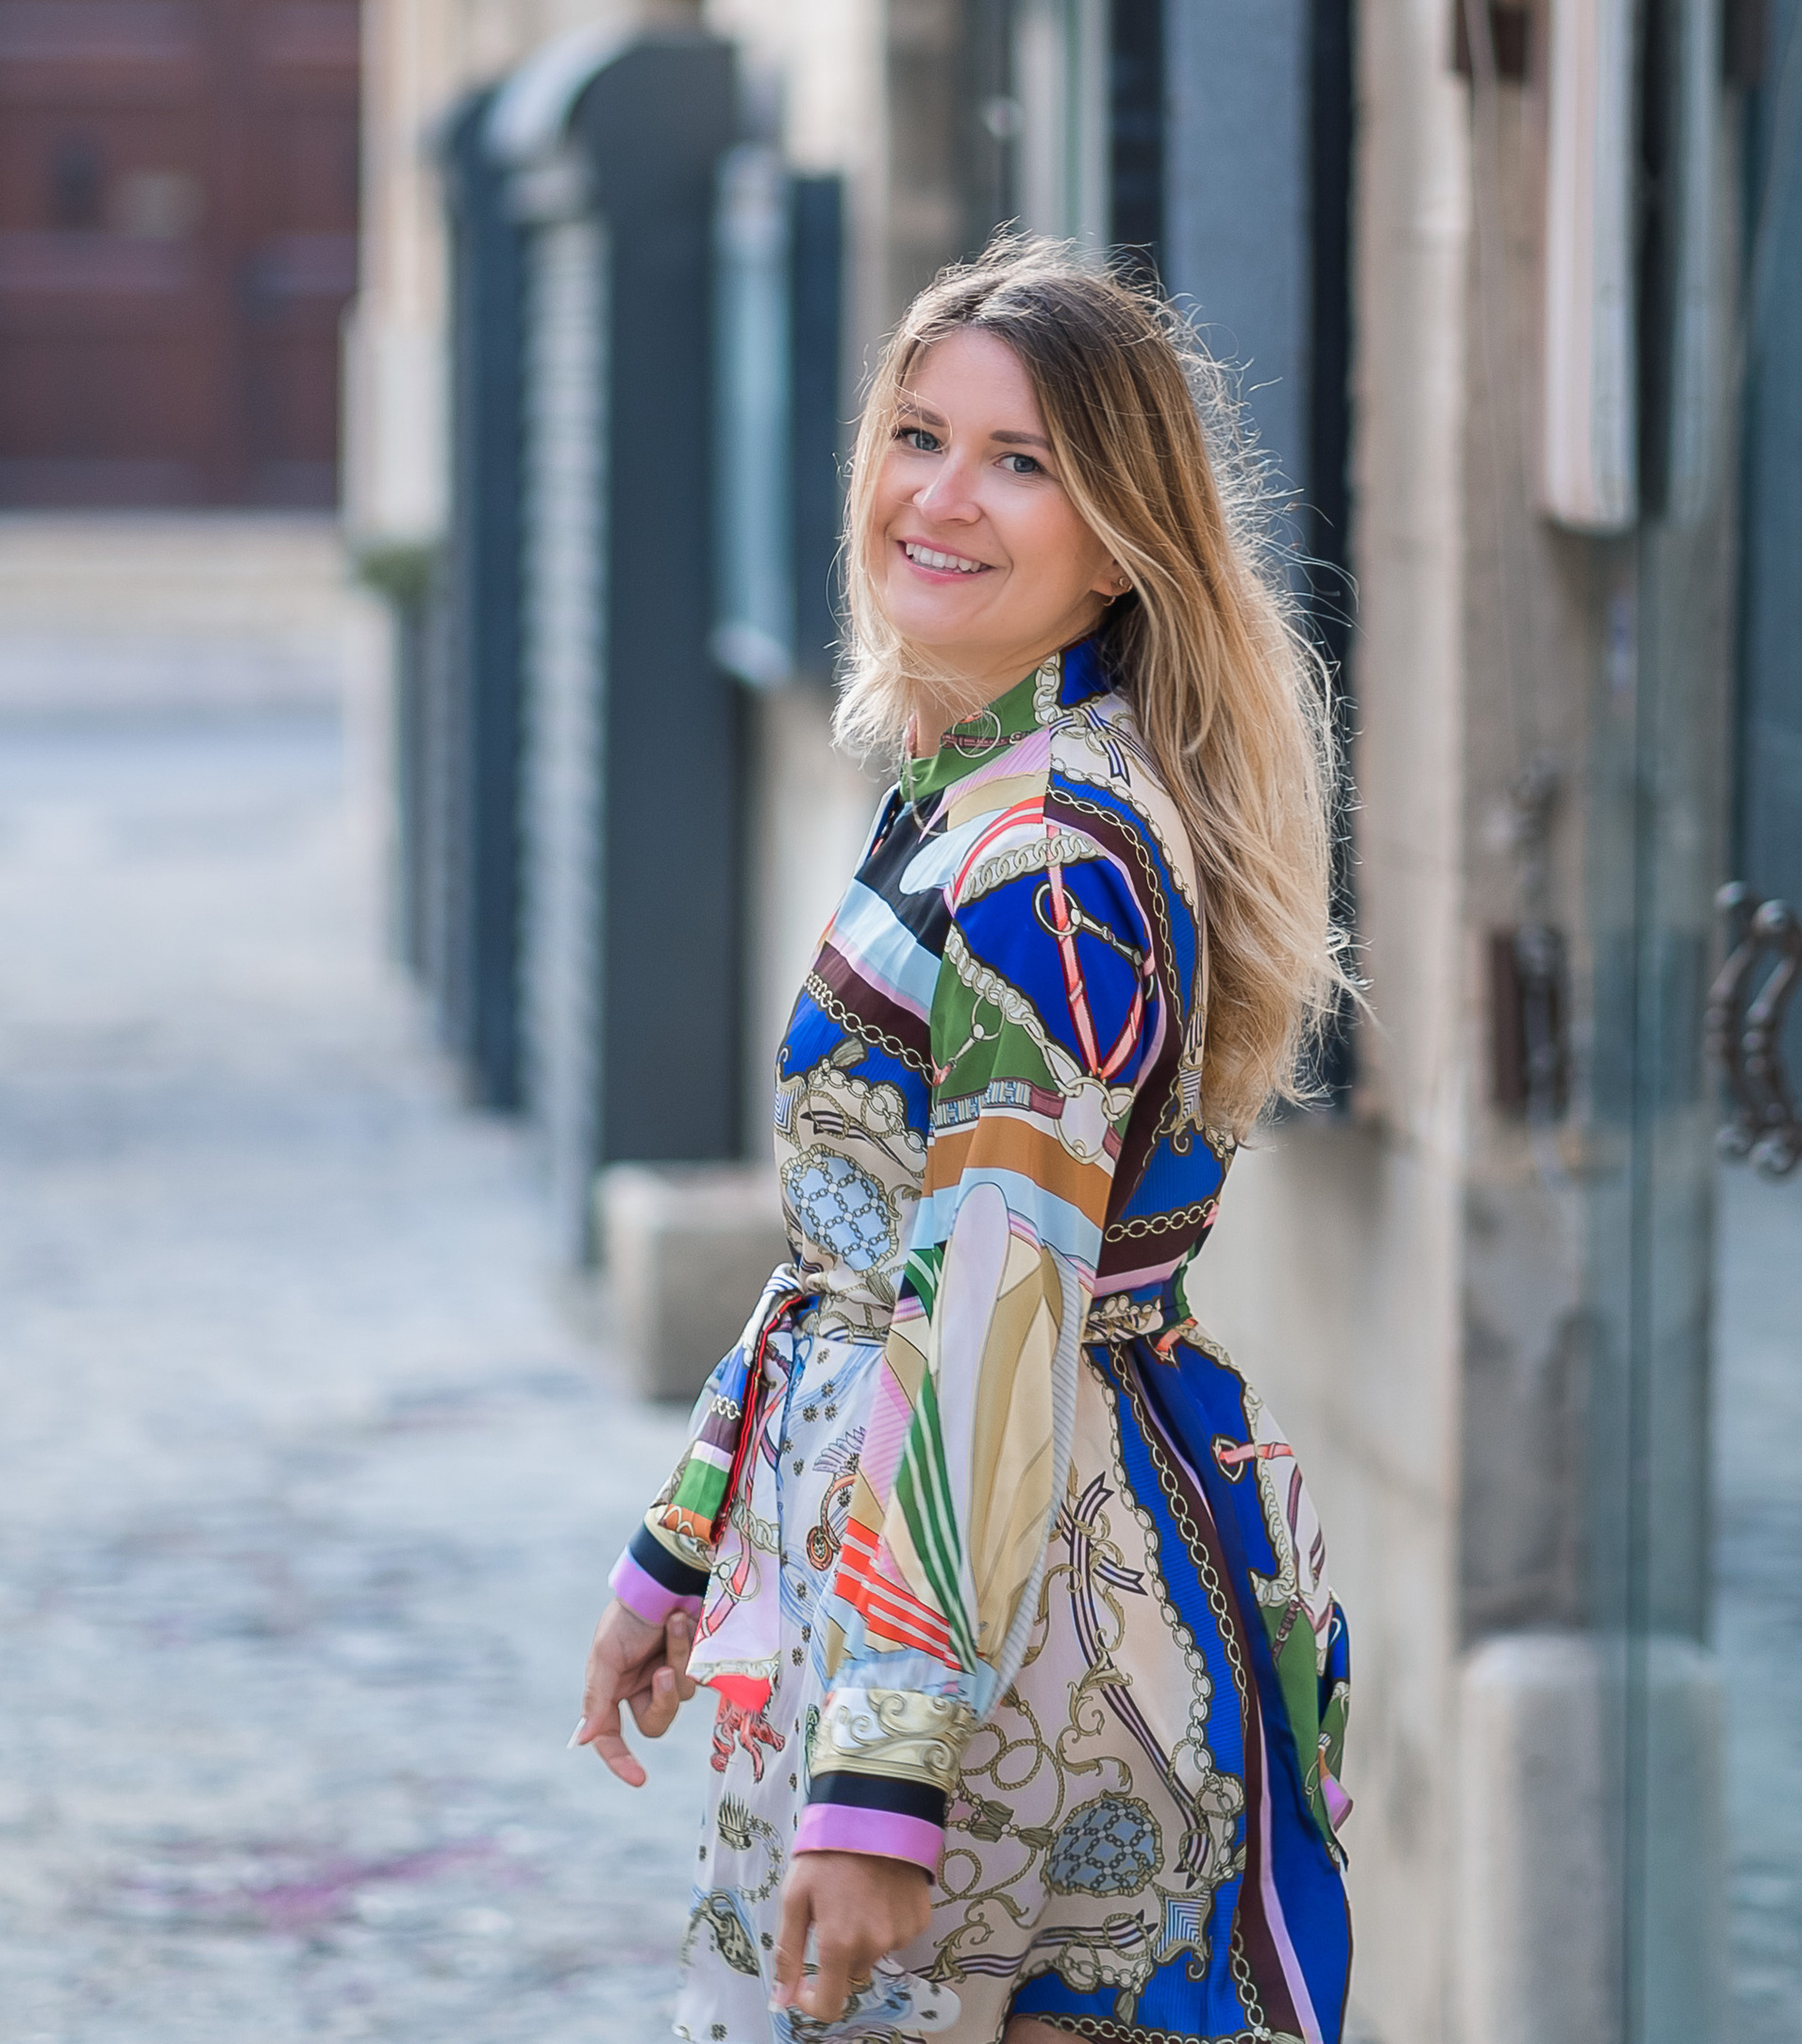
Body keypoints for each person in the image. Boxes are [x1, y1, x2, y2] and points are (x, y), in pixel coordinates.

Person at [575, 241, 1354, 2043]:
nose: (939, 496)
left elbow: (991, 1328)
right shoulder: (968, 795)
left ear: (1121, 537)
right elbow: (848, 1253)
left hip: (1007, 1652)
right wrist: (681, 1545)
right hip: (920, 1593)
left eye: (1021, 461)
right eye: (918, 435)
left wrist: (883, 1787)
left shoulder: (1043, 876)